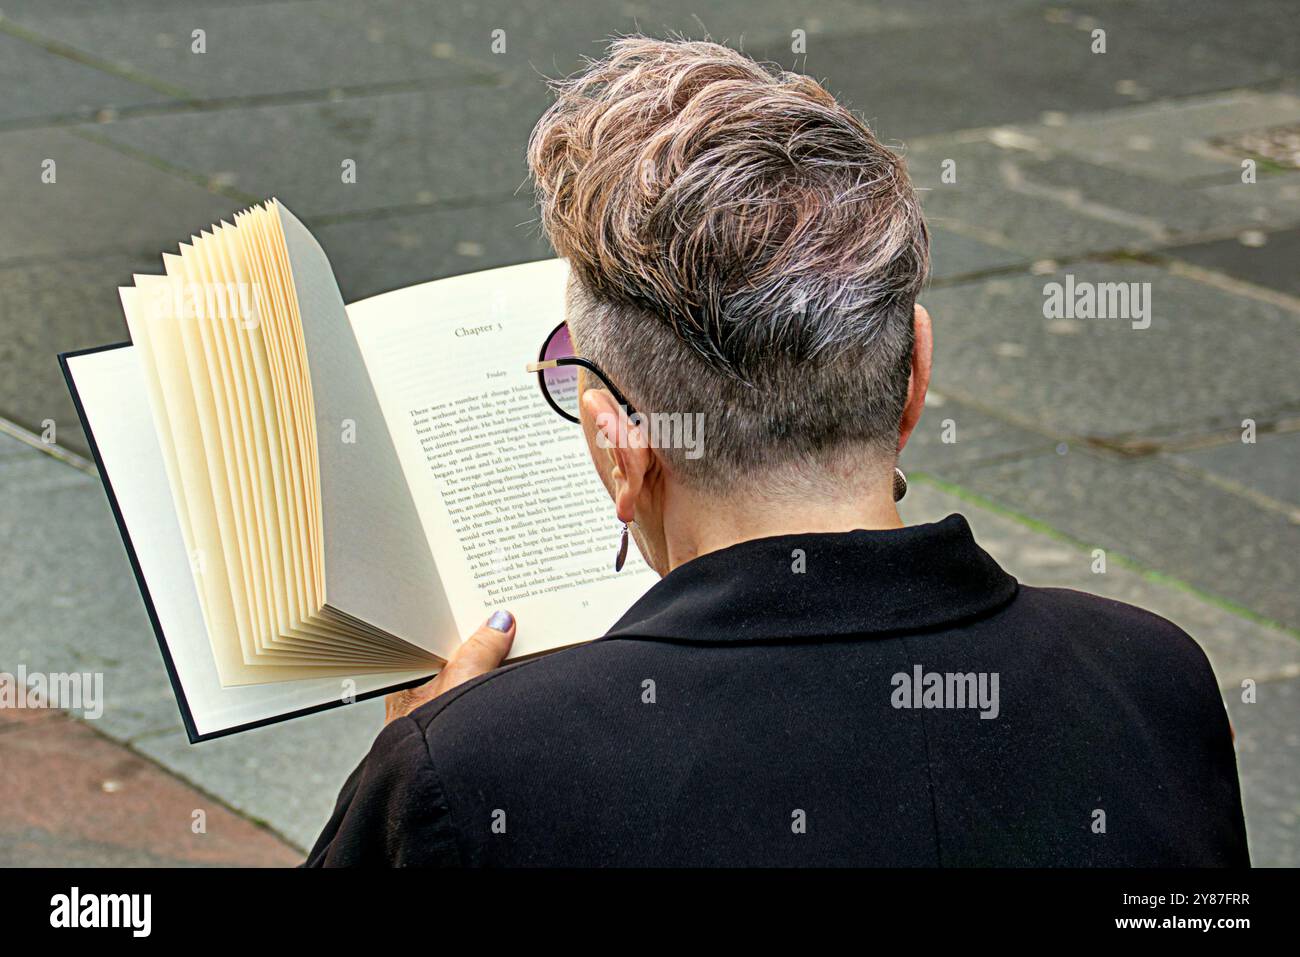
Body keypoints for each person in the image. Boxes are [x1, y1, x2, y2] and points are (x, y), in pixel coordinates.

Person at [305, 37, 1248, 867]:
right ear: (915, 375)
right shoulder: (1151, 679)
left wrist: (416, 760)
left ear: (621, 448)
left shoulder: (474, 775)